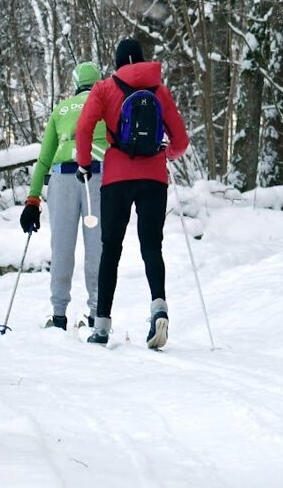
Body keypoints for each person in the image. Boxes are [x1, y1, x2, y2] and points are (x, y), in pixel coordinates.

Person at [75, 38, 188, 348]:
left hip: (116, 177)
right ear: (141, 59)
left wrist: (84, 163)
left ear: (117, 62)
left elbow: (83, 129)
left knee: (110, 249)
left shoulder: (104, 89)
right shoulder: (159, 90)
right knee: (152, 245)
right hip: (153, 177)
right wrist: (166, 153)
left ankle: (100, 327)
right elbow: (181, 141)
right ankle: (159, 308)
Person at [19, 62, 109, 330]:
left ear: (75, 83)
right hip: (98, 176)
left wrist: (33, 199)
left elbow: (44, 158)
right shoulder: (107, 105)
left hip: (62, 177)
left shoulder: (61, 109)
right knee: (97, 247)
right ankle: (96, 314)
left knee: (62, 246)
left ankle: (59, 315)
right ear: (98, 82)